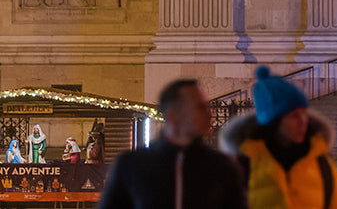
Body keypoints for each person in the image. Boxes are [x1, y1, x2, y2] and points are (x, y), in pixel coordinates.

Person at [97, 78, 247, 209]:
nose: (209, 114)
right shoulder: (132, 165)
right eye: (200, 108)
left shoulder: (221, 166)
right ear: (173, 116)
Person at [219, 65, 337, 209]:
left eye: (304, 114)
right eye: (294, 116)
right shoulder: (243, 168)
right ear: (274, 123)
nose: (303, 121)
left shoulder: (322, 166)